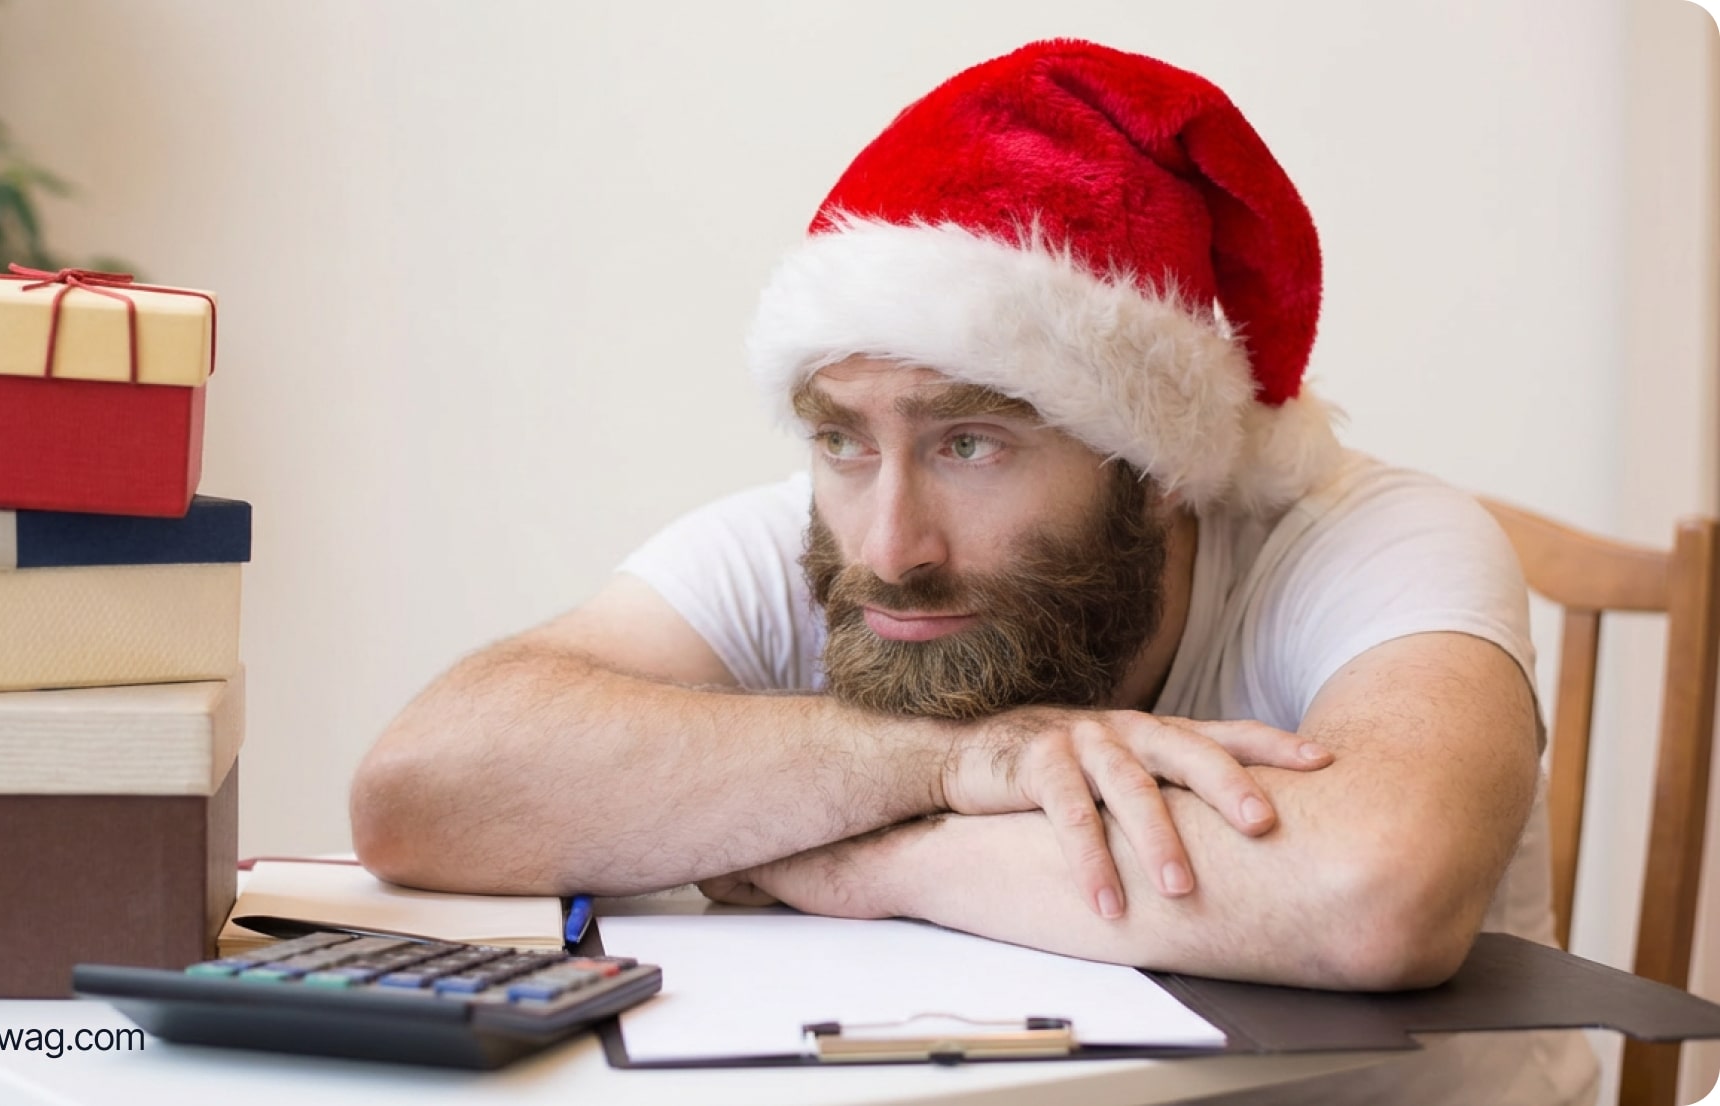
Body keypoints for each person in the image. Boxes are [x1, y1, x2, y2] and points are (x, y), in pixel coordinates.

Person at [351, 39, 1599, 1104]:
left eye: (970, 443)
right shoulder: (815, 537)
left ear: (1159, 461)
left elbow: (1373, 890)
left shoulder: (1378, 539)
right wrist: (950, 761)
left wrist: (850, 858)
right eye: (842, 439)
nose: (889, 547)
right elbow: (424, 789)